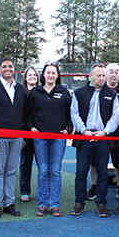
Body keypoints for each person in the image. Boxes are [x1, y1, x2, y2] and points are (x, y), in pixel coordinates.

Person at [70, 63, 119, 217]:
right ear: (90, 76)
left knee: (102, 172)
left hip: (102, 138)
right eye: (98, 75)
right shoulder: (79, 93)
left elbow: (115, 117)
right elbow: (74, 114)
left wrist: (104, 132)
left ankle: (101, 203)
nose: (102, 78)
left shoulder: (112, 94)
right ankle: (79, 202)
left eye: (103, 75)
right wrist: (83, 130)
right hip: (84, 137)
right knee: (81, 171)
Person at [0, 58, 28, 219]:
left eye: (10, 66)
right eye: (4, 66)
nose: (7, 69)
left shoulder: (21, 89)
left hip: (16, 138)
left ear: (14, 69)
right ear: (0, 69)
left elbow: (25, 114)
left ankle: (9, 203)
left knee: (11, 171)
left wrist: (24, 136)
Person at [27, 63, 72, 217]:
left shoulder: (64, 92)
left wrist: (68, 128)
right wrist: (31, 127)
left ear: (57, 75)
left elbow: (70, 113)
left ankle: (54, 205)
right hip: (40, 138)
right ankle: (42, 204)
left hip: (58, 138)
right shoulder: (35, 92)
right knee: (43, 170)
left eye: (54, 73)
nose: (51, 75)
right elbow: (28, 113)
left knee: (55, 171)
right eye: (48, 72)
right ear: (43, 75)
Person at [20, 66, 39, 203]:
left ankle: (43, 192)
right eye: (29, 75)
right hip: (26, 134)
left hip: (40, 135)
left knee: (42, 165)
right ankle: (25, 191)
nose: (32, 77)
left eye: (34, 75)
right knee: (25, 163)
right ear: (25, 77)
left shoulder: (42, 92)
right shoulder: (20, 92)